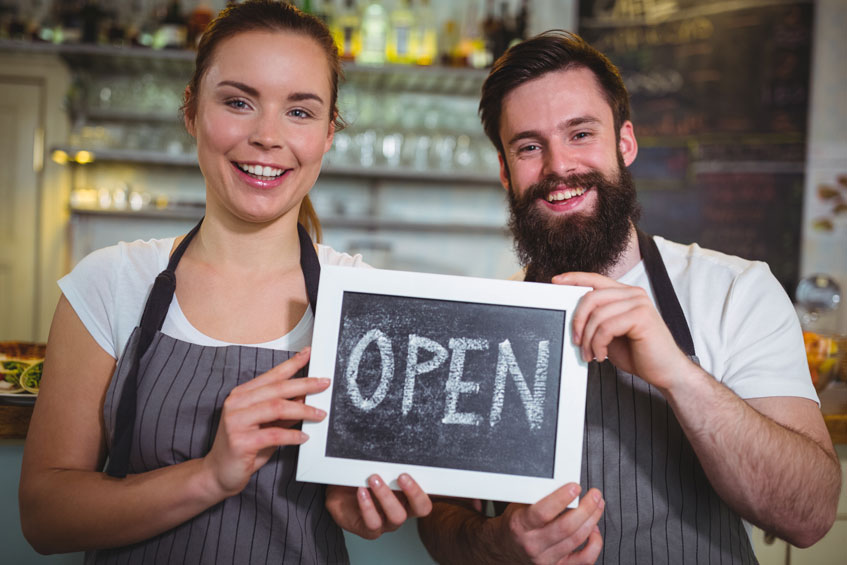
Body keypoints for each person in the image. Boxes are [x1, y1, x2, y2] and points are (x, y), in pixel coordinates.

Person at [18, 2, 430, 563]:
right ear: (191, 110)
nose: (267, 136)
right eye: (238, 102)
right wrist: (210, 475)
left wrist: (362, 505)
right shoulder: (110, 282)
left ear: (329, 133)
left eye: (300, 112)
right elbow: (45, 517)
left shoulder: (369, 303)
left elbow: (372, 493)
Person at [417, 30, 841, 564]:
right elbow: (441, 517)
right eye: (529, 146)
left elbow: (809, 516)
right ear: (505, 172)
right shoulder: (480, 324)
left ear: (625, 143)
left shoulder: (735, 291)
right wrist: (493, 543)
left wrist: (678, 375)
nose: (558, 167)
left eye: (580, 134)